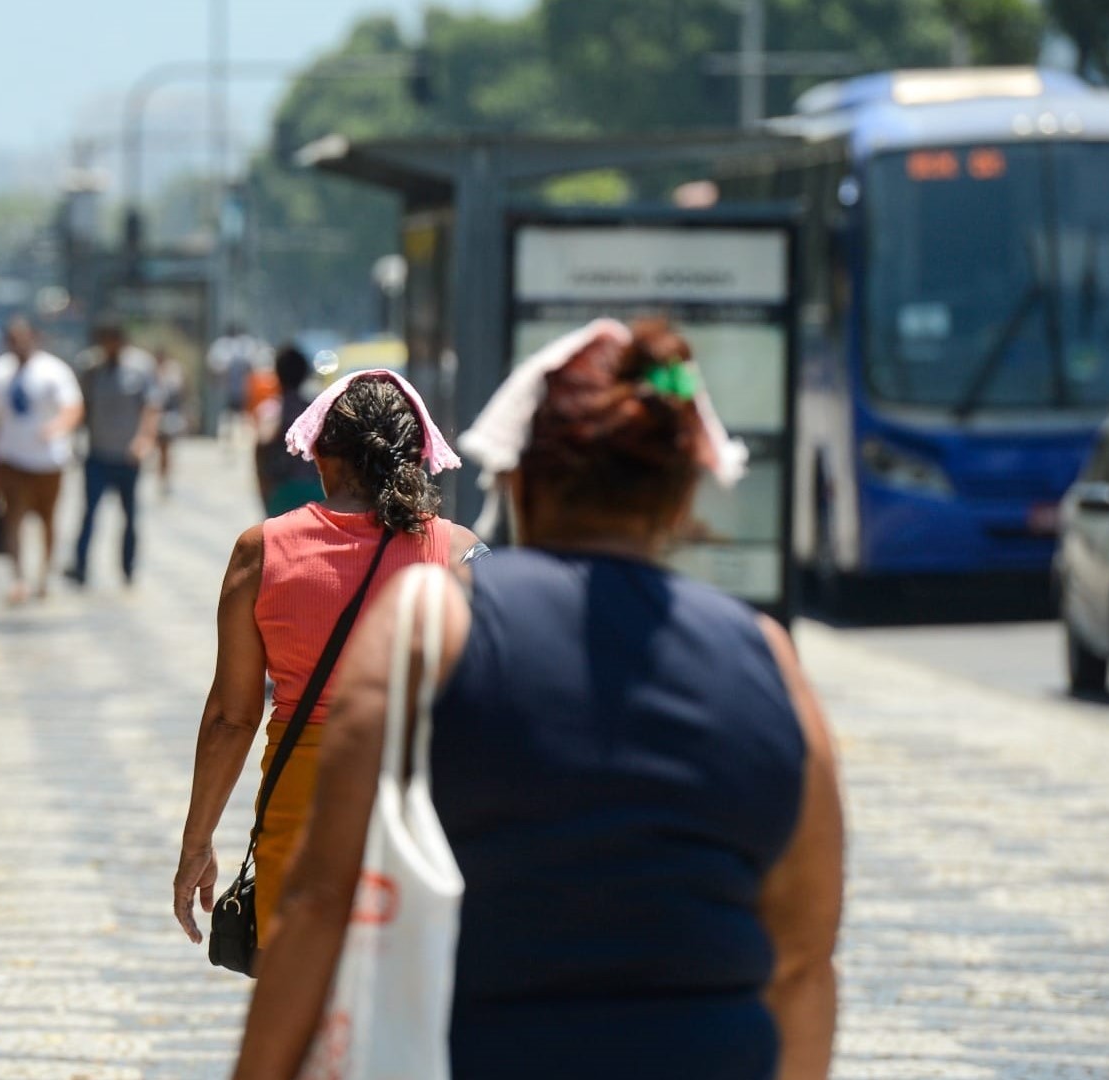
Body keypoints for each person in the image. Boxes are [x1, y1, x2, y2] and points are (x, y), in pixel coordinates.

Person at [227, 320, 844, 1080]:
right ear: (684, 496)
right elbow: (805, 962)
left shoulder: (430, 630)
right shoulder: (767, 660)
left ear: (517, 480)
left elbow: (321, 903)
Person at [174, 369, 475, 953]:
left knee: (303, 1005)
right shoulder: (465, 554)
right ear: (416, 455)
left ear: (321, 455)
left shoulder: (260, 550)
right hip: (422, 809)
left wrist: (197, 843)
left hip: (302, 810)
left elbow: (231, 719)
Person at [0, 317, 84, 604]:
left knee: (48, 519)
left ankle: (44, 574)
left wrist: (56, 428)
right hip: (11, 459)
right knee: (12, 519)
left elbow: (73, 407)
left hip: (48, 461)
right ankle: (18, 578)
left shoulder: (53, 371)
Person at [67, 322, 162, 588]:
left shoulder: (141, 367)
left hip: (127, 456)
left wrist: (144, 439)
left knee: (130, 515)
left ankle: (128, 567)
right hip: (98, 453)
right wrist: (75, 439)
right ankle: (80, 566)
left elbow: (151, 407)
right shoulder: (91, 367)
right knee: (89, 513)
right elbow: (82, 405)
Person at [253, 345, 325, 517]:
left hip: (281, 494)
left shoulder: (271, 410)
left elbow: (262, 446)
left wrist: (265, 494)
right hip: (317, 493)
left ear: (277, 374)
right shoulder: (316, 410)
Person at [155, 348, 190, 496]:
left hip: (169, 415)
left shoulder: (173, 371)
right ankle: (162, 478)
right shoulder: (151, 371)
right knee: (160, 451)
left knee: (166, 450)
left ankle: (165, 479)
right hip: (157, 415)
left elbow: (180, 392)